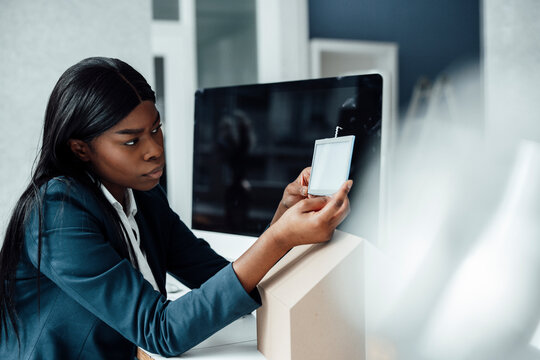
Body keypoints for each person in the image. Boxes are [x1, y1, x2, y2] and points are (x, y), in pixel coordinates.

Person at [0, 57, 352, 359]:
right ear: (81, 149)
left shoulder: (144, 196)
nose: (154, 149)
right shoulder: (57, 213)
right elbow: (160, 331)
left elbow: (216, 278)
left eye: (156, 129)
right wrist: (278, 238)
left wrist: (282, 219)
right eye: (132, 140)